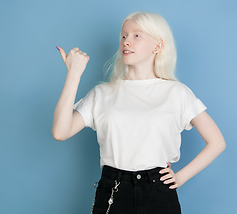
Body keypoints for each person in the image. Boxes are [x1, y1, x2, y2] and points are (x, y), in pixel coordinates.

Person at [52, 12, 226, 214]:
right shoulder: (102, 94)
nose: (127, 41)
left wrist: (181, 177)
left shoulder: (176, 93)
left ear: (158, 46)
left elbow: (217, 142)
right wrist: (73, 75)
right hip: (112, 190)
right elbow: (60, 132)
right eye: (124, 36)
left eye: (137, 35)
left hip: (158, 192)